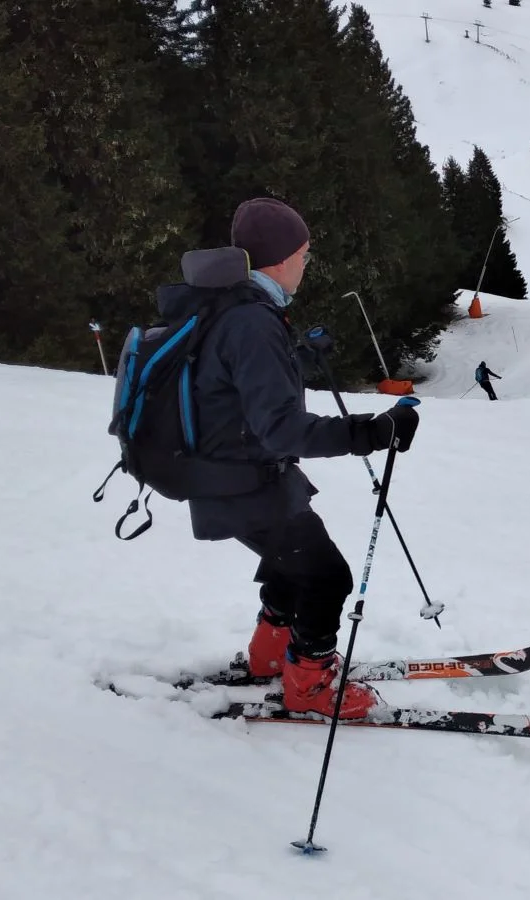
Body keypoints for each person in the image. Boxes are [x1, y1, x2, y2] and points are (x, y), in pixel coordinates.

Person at [164, 197, 420, 720]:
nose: (307, 262)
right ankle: (309, 685)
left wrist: (297, 357)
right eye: (304, 254)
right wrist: (374, 432)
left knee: (295, 564)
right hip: (241, 480)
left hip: (233, 473)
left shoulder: (231, 304)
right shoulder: (251, 321)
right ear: (281, 259)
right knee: (327, 578)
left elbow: (231, 380)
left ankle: (270, 658)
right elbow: (281, 429)